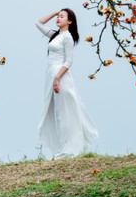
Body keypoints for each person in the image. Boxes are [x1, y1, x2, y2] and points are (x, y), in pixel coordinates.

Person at [36, 9, 98, 159]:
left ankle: (66, 151)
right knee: (57, 114)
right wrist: (53, 13)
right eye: (58, 16)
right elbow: (38, 23)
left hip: (60, 76)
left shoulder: (67, 37)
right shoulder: (55, 35)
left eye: (62, 16)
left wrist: (57, 79)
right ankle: (62, 150)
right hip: (51, 75)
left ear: (69, 21)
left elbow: (69, 61)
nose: (58, 18)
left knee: (64, 114)